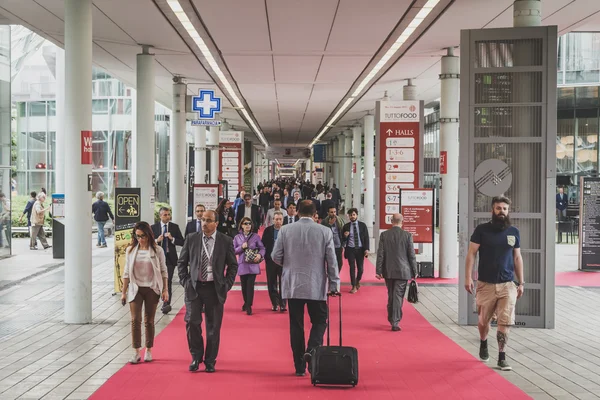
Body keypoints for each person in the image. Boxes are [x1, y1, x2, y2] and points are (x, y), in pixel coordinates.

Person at [272, 200, 340, 376]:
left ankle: (299, 366)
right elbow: (332, 261)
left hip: (293, 285)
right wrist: (334, 284)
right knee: (320, 320)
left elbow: (275, 256)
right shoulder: (325, 231)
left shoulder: (286, 230)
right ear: (315, 212)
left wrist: (288, 264)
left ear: (297, 212)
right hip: (316, 285)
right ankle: (313, 348)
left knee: (296, 325)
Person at [465, 195, 524, 371]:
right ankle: (483, 342)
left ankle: (501, 356)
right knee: (484, 322)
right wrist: (468, 277)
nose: (502, 212)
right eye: (498, 208)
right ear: (492, 210)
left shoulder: (514, 231)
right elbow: (471, 254)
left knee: (504, 322)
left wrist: (521, 282)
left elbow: (517, 257)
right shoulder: (482, 230)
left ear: (508, 211)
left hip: (507, 284)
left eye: (504, 209)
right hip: (485, 284)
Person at [177, 210, 238, 373]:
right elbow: (182, 263)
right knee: (192, 322)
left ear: (216, 223)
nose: (204, 223)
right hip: (195, 288)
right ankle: (196, 356)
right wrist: (186, 282)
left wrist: (226, 284)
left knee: (213, 326)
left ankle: (210, 360)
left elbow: (233, 265)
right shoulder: (192, 239)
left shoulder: (225, 241)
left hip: (214, 289)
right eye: (203, 219)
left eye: (209, 220)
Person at [120, 221, 169, 364]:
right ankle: (136, 351)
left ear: (148, 235)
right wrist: (123, 292)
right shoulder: (130, 250)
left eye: (143, 236)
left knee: (149, 320)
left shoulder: (157, 250)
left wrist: (165, 289)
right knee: (135, 320)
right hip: (136, 288)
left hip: (152, 288)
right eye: (137, 236)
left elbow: (163, 271)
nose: (140, 239)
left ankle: (148, 349)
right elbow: (126, 273)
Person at [375, 213, 418, 331]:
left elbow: (380, 254)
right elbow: (411, 255)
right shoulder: (407, 235)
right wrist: (415, 270)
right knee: (398, 295)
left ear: (391, 221)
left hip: (388, 270)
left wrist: (379, 270)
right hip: (403, 271)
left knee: (391, 295)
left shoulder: (384, 235)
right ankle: (395, 321)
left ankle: (391, 317)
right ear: (402, 221)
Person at [151, 207, 184, 314]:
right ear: (160, 216)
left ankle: (166, 303)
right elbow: (148, 243)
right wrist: (157, 240)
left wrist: (172, 238)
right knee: (157, 281)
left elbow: (182, 242)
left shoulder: (174, 227)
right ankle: (156, 300)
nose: (167, 217)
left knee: (167, 280)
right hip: (157, 259)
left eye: (168, 214)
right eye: (165, 215)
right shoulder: (153, 227)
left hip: (170, 258)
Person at [233, 217, 265, 316]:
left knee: (250, 285)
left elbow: (262, 248)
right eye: (245, 223)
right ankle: (246, 302)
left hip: (253, 265)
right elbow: (233, 250)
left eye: (249, 223)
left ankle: (249, 305)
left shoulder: (256, 237)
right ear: (241, 225)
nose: (248, 225)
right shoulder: (237, 237)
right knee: (244, 286)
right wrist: (241, 247)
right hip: (242, 264)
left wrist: (260, 255)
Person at [262, 211, 285, 312]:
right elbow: (263, 245)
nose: (278, 221)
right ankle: (275, 303)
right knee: (271, 283)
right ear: (273, 220)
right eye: (276, 219)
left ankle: (283, 304)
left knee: (284, 283)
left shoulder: (286, 230)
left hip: (283, 261)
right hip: (270, 260)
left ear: (283, 220)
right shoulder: (268, 231)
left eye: (280, 219)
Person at [342, 208, 369, 293]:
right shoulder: (346, 226)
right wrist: (345, 236)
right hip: (350, 249)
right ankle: (353, 285)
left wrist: (366, 249)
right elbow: (342, 239)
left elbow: (366, 238)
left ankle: (357, 281)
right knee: (352, 267)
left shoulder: (362, 225)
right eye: (350, 215)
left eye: (354, 215)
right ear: (348, 216)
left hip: (360, 249)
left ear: (356, 215)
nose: (352, 216)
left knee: (360, 269)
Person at [321, 206, 344, 272]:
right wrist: (329, 225)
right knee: (330, 263)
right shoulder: (324, 221)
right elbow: (322, 232)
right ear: (328, 213)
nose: (333, 214)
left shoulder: (340, 220)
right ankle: (331, 276)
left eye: (334, 212)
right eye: (331, 212)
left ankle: (336, 275)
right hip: (329, 245)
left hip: (338, 245)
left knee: (340, 263)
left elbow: (343, 230)